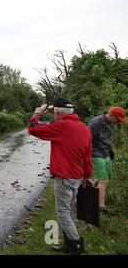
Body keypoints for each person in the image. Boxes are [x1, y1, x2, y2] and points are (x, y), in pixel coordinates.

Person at [27, 99, 93, 255]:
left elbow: (32, 129)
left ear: (57, 113)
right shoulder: (84, 128)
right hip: (77, 177)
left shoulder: (59, 127)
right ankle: (68, 246)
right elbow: (87, 156)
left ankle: (76, 246)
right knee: (68, 211)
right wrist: (87, 175)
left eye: (54, 113)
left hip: (64, 177)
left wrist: (37, 114)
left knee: (62, 213)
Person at [88, 107, 126, 214]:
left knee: (107, 176)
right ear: (112, 115)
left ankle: (90, 191)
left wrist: (110, 150)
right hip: (96, 153)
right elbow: (86, 138)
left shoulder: (112, 122)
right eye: (118, 119)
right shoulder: (96, 122)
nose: (119, 121)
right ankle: (101, 208)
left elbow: (107, 137)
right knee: (104, 181)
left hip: (106, 153)